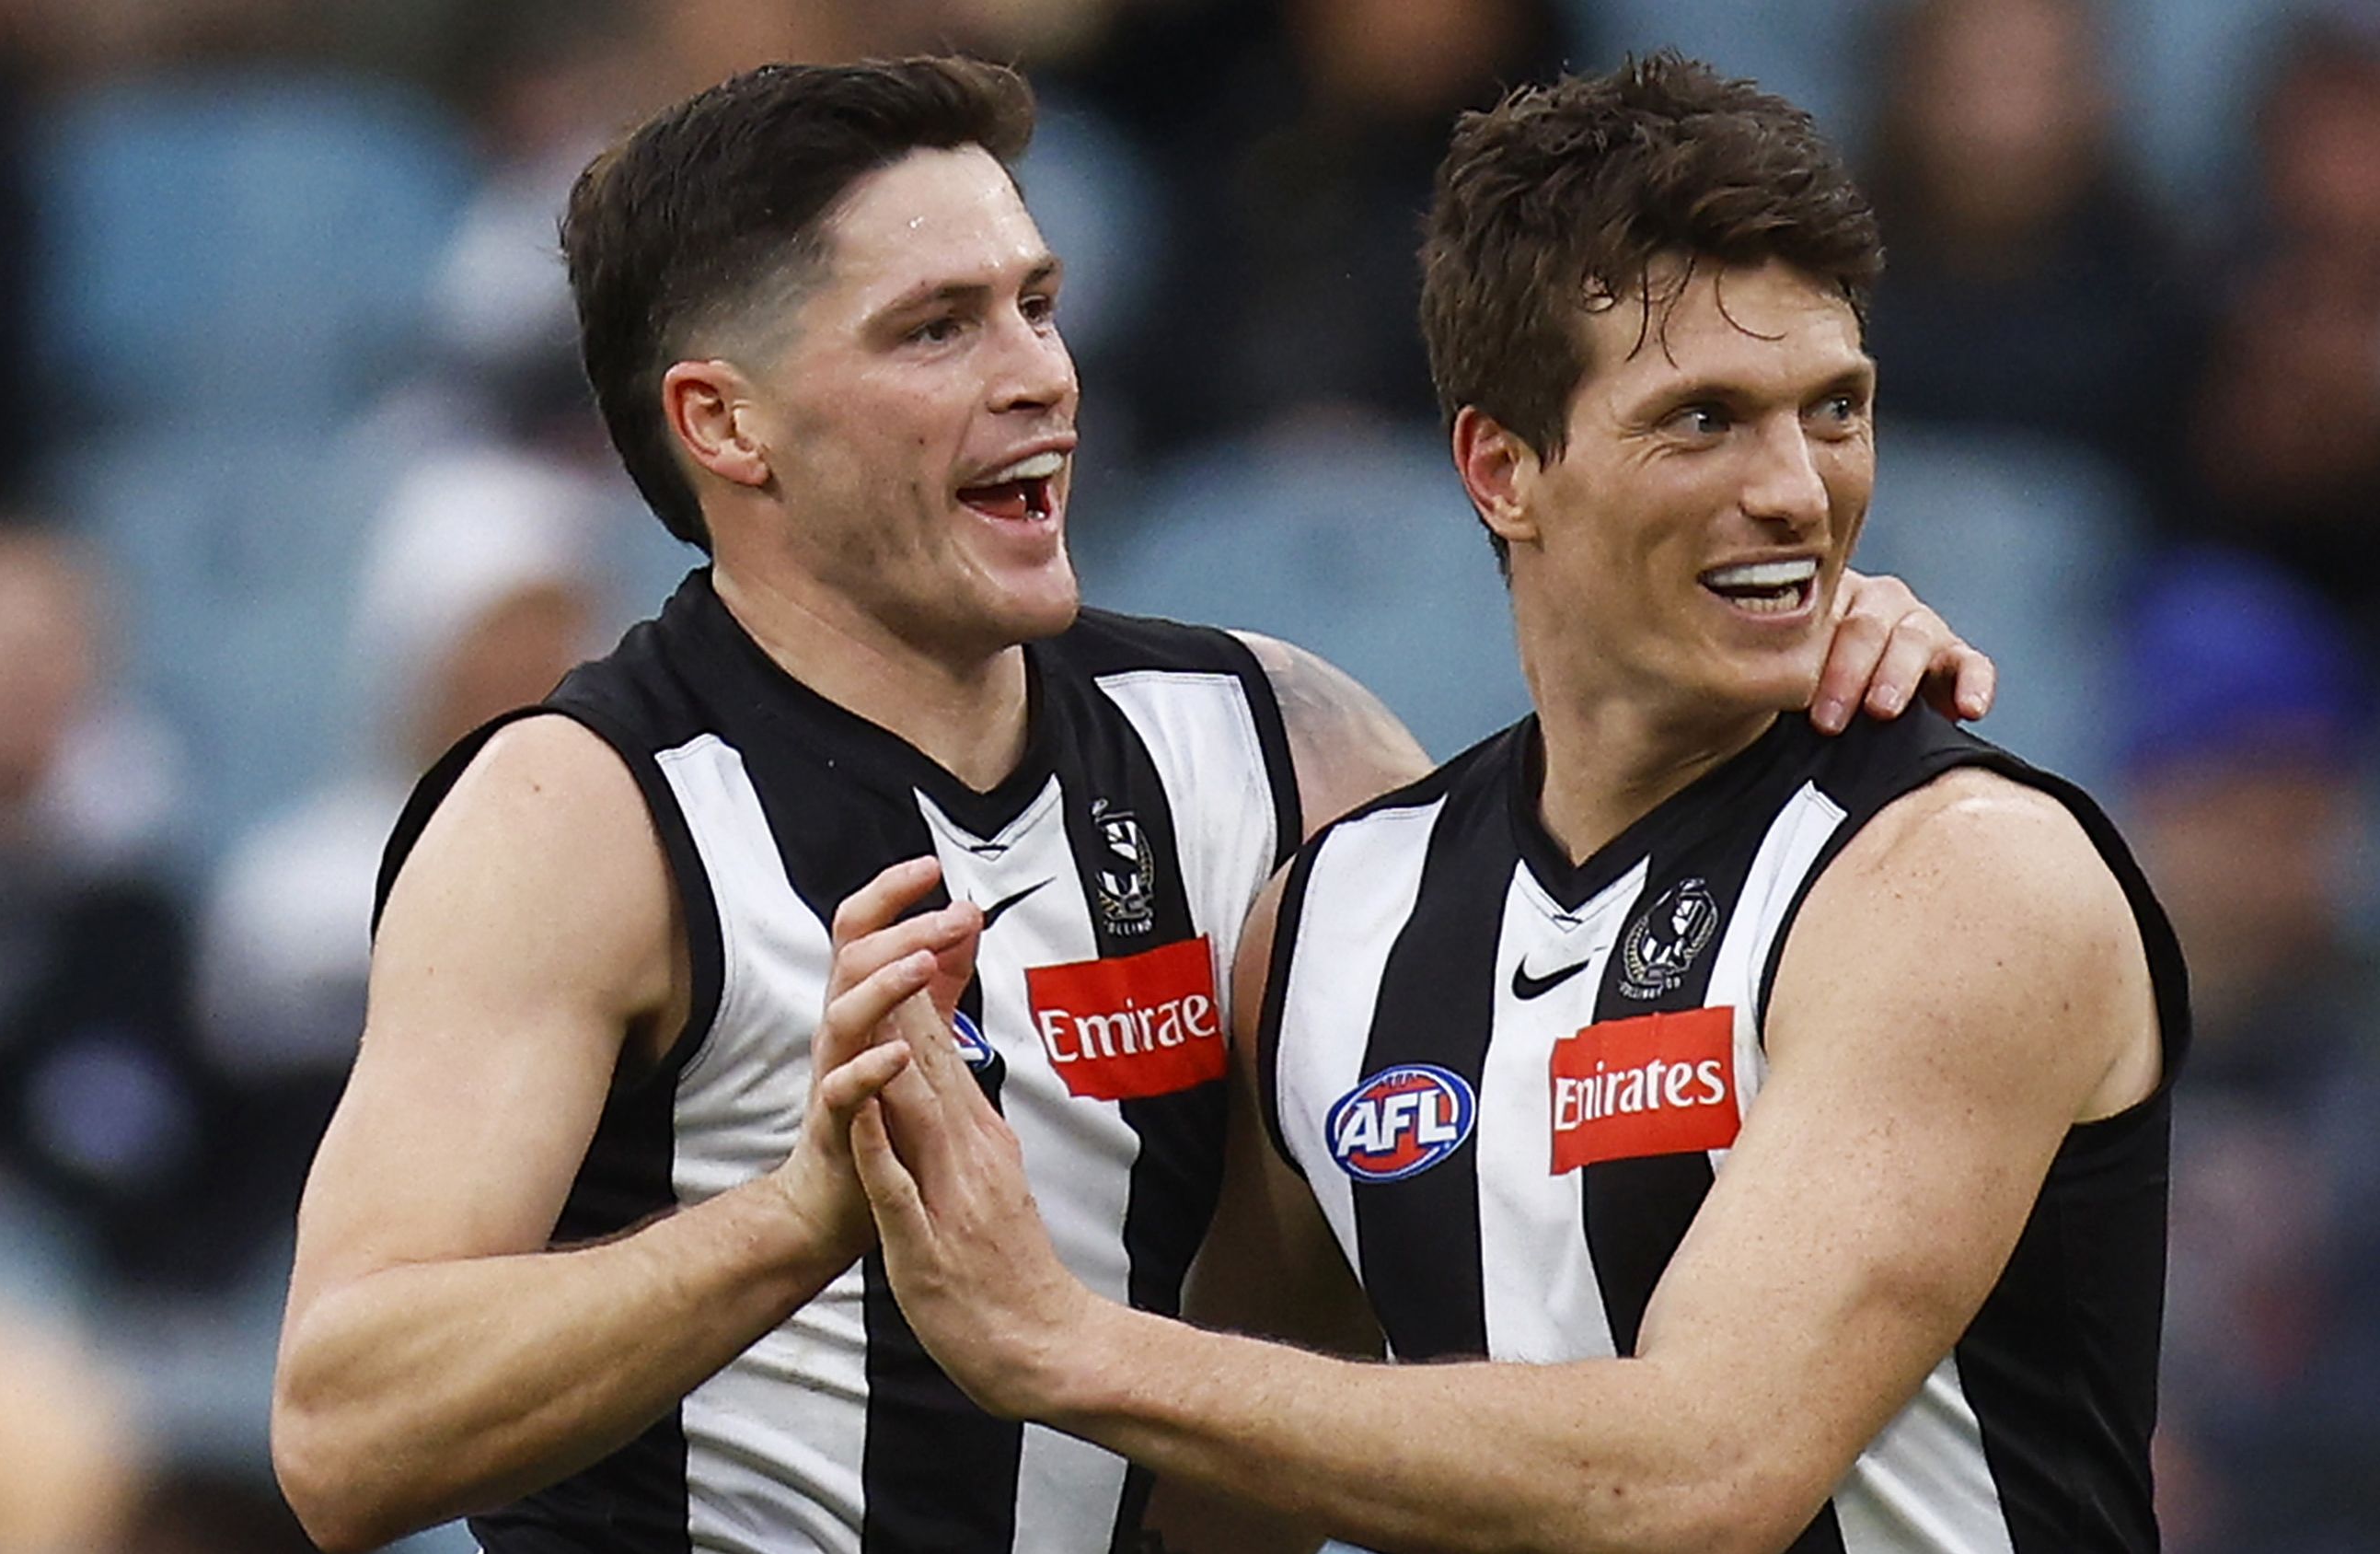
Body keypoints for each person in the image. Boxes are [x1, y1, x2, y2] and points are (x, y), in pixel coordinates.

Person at [270, 56, 1993, 1553]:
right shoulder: (584, 813)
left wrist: (1791, 672)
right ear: (727, 423)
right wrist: (788, 1228)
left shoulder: (1268, 735)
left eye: (1038, 301)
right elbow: (345, 1434)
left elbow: (1575, 948)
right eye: (939, 328)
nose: (1039, 374)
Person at [841, 53, 2185, 1554]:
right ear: (1500, 469)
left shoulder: (1966, 876)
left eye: (1836, 408)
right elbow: (1236, 1485)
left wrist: (1072, 1345)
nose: (1800, 490)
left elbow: (1702, 1474)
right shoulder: (1335, 921)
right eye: (1704, 421)